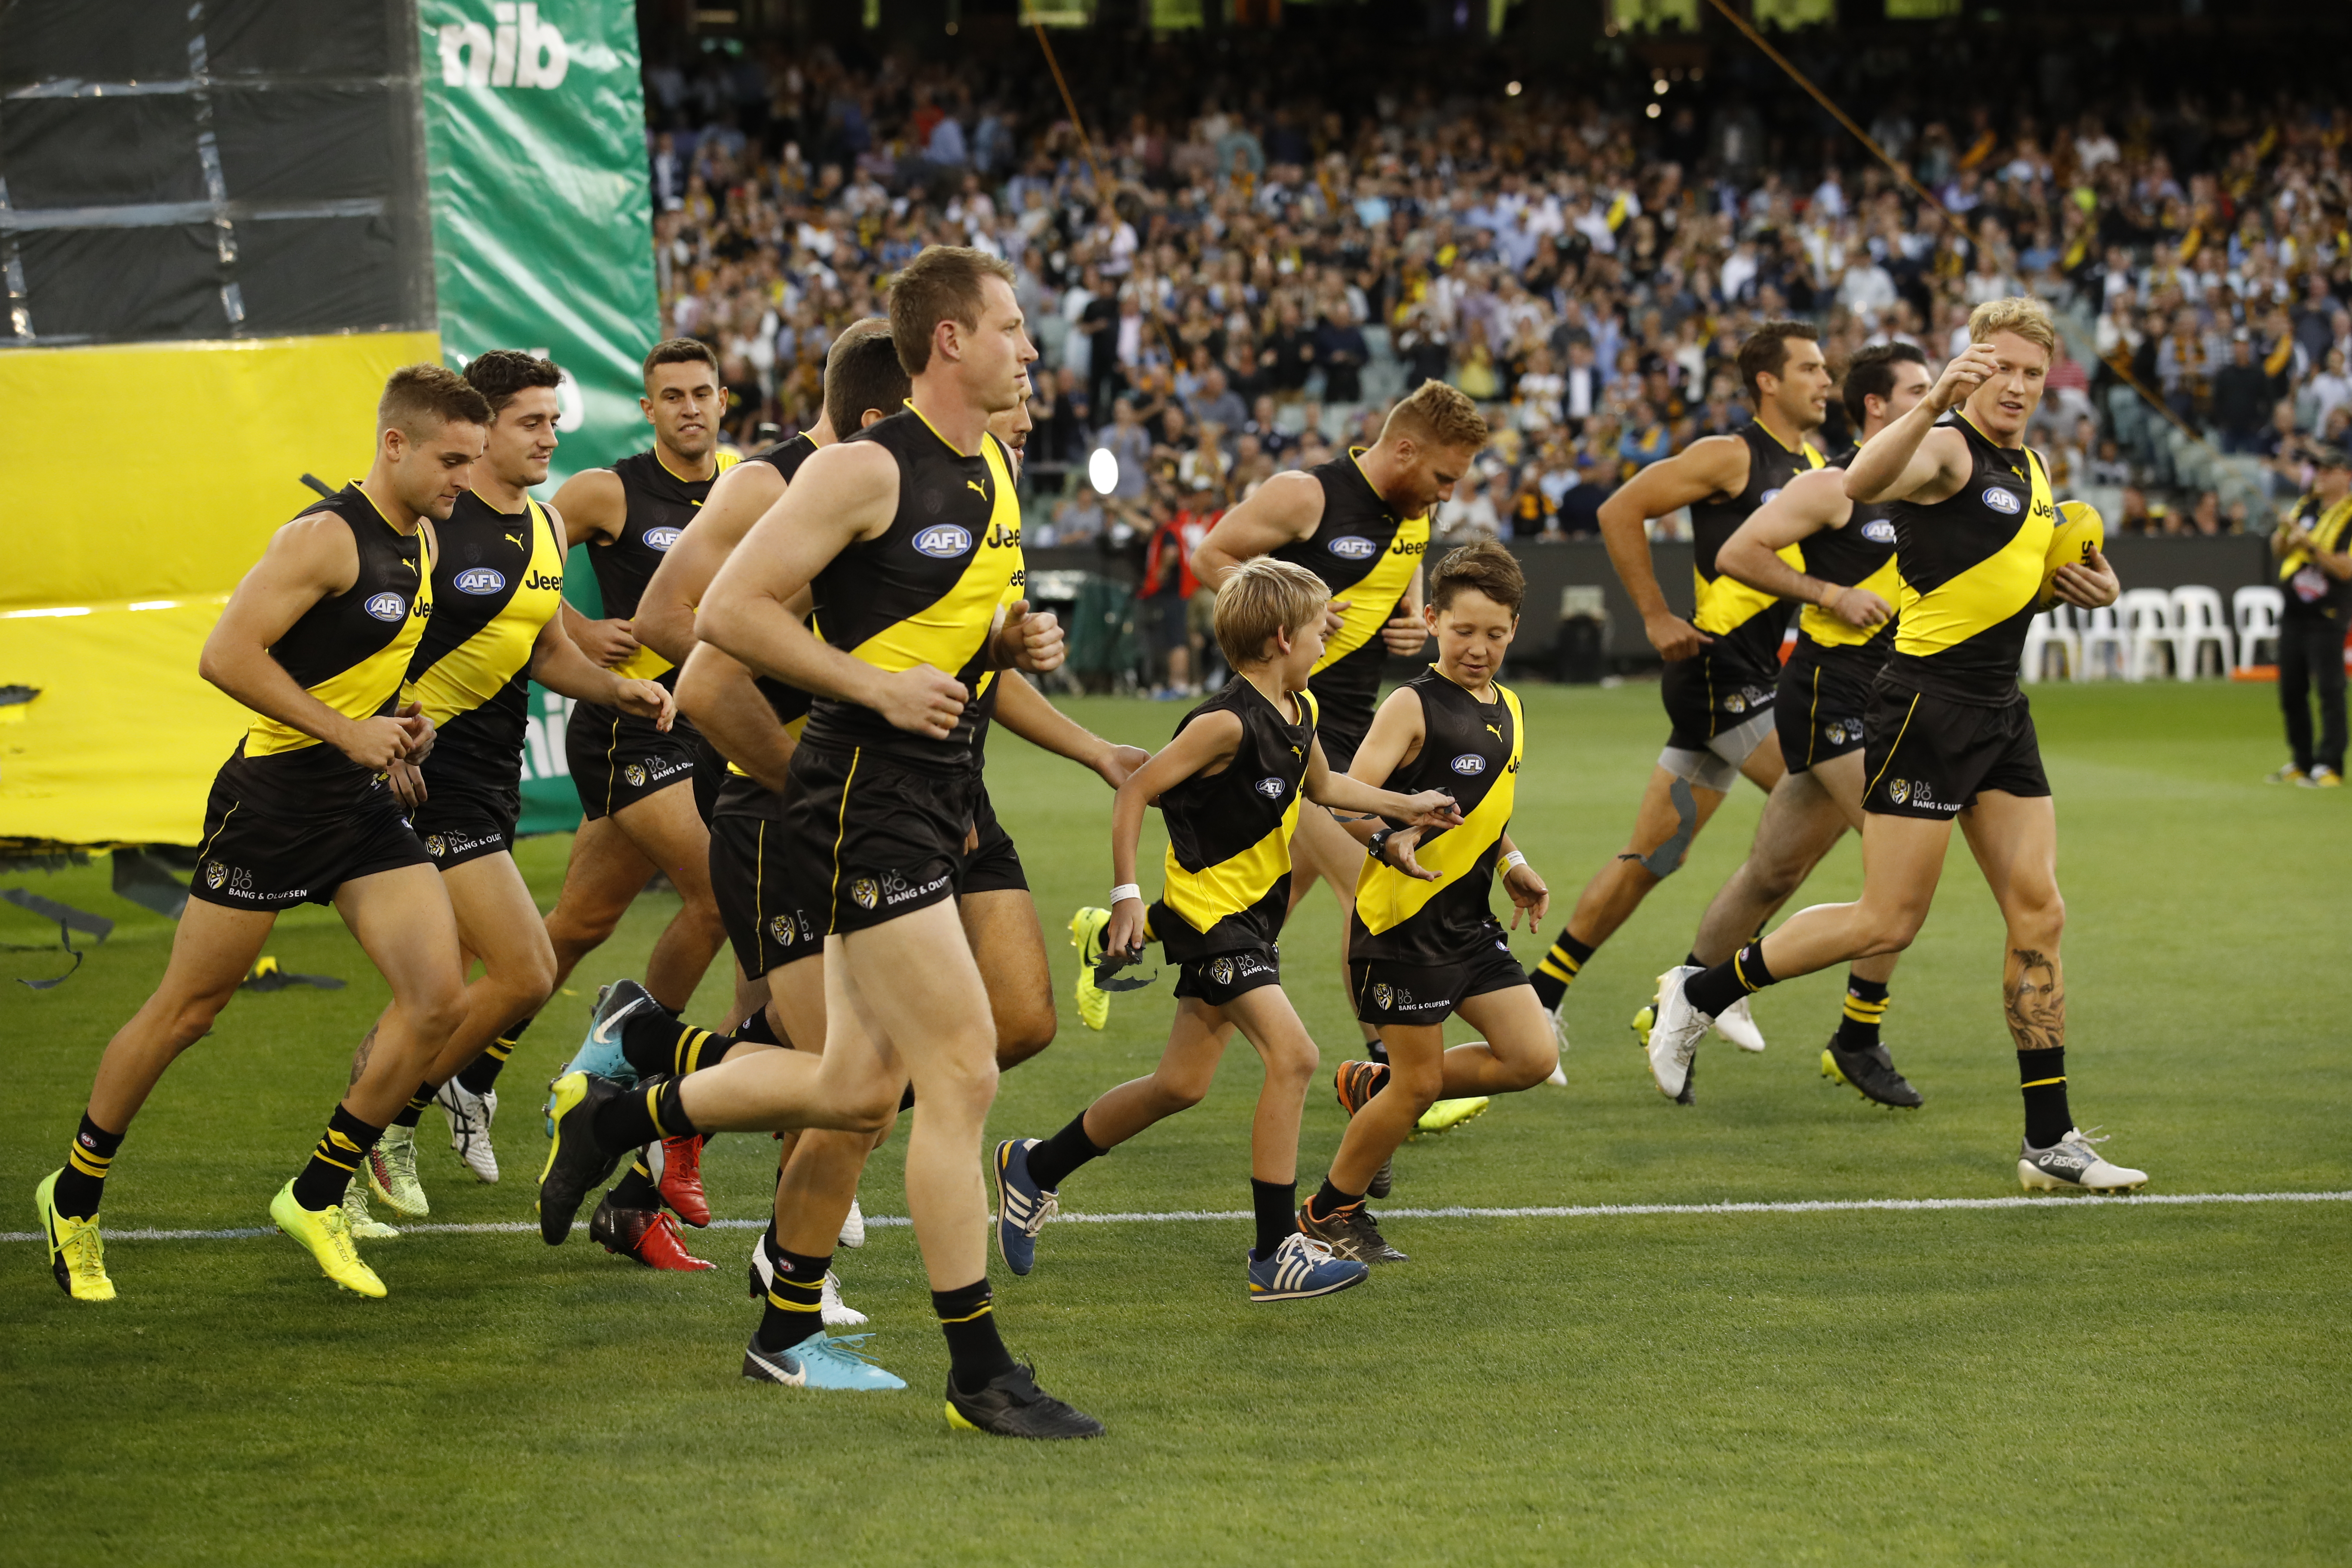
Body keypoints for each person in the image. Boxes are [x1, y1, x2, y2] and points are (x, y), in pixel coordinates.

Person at [538, 245, 1105, 1437]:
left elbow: (938, 618)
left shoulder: (996, 465)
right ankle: (979, 1371)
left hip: (934, 788)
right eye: (1010, 327)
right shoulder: (857, 469)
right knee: (962, 1070)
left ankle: (632, 1110)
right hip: (864, 794)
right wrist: (877, 690)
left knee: (860, 1086)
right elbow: (726, 621)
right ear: (948, 342)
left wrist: (1006, 641)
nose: (1030, 347)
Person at [1647, 297, 2148, 1197]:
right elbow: (1867, 482)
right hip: (1924, 707)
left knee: (2040, 913)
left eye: (2035, 375)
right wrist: (1930, 402)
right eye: (2003, 369)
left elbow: (2000, 590)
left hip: (2000, 711)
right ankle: (1702, 993)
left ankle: (2050, 1141)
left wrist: (2085, 587)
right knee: (1888, 921)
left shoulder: (2031, 467)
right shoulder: (1945, 444)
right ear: (1972, 367)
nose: (2020, 388)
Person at [34, 366, 489, 1302]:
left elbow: (357, 670)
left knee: (437, 1001)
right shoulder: (324, 537)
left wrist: (400, 726)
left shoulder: (431, 540)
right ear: (395, 444)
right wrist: (347, 731)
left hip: (357, 805)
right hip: (274, 805)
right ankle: (73, 1196)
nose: (463, 477)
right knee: (189, 1013)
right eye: (452, 458)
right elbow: (226, 656)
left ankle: (317, 1194)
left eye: (473, 460)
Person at [991, 559, 1461, 1301]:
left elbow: (1327, 790)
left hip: (1253, 920)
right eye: (1316, 631)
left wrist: (1405, 814)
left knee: (1179, 1084)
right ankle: (1276, 1250)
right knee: (1296, 1056)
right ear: (1281, 637)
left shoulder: (1298, 711)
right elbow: (1136, 788)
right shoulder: (1223, 721)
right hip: (1213, 921)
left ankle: (1034, 1166)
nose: (1324, 643)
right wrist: (1125, 895)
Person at [337, 352, 679, 1243]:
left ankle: (373, 1132)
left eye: (555, 422)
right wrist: (382, 733)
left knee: (438, 988)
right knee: (523, 969)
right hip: (424, 774)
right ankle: (375, 1134)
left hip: (492, 775)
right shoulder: (428, 527)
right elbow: (362, 641)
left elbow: (543, 650)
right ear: (481, 429)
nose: (551, 438)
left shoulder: (544, 528)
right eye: (533, 422)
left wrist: (621, 688)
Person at [1067, 381, 1483, 1057]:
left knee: (1263, 903)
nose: (1447, 493)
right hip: (1282, 727)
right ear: (1405, 450)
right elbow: (1210, 557)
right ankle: (1386, 1070)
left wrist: (1409, 622)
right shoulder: (1307, 495)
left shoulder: (1415, 512)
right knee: (1371, 890)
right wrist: (1287, 611)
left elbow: (1402, 576)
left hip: (1353, 724)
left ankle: (1117, 939)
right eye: (1442, 476)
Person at [1525, 323, 1834, 1062]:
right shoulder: (1731, 455)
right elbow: (1616, 508)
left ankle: (1540, 999)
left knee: (1652, 857)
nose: (1827, 380)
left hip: (1751, 675)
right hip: (1714, 671)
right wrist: (1656, 615)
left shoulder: (1815, 464)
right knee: (1821, 795)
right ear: (1768, 381)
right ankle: (1709, 982)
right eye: (1812, 368)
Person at [1642, 342, 1936, 1110]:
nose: (1935, 400)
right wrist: (1829, 594)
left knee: (1772, 871)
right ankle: (1856, 1037)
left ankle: (1682, 992)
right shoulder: (1834, 483)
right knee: (1897, 875)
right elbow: (1740, 552)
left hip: (1888, 697)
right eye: (1918, 389)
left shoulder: (1934, 489)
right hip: (1830, 694)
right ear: (1875, 406)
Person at [1304, 542, 1560, 1261]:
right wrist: (1388, 836)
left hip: (1469, 924)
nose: (1479, 649)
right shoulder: (1410, 704)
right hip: (1402, 925)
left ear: (1514, 629)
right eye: (1463, 631)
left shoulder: (1508, 706)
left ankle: (1372, 1086)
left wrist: (1511, 860)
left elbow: (1485, 804)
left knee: (1531, 1056)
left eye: (1495, 634)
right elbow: (1339, 800)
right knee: (1416, 1088)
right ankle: (1329, 1211)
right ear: (1430, 619)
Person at [2268, 445, 2352, 787]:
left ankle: (2331, 763)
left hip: (2327, 612)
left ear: (2346, 475)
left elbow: (2346, 569)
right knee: (2291, 690)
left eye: (2328, 471)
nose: (2320, 476)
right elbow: (2278, 549)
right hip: (2294, 611)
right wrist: (2287, 534)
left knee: (2330, 689)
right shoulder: (2307, 506)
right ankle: (2302, 760)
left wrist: (2312, 547)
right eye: (2317, 470)